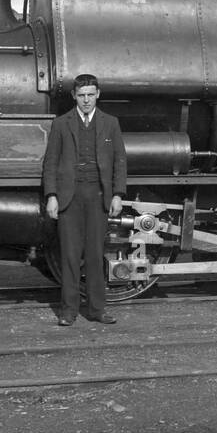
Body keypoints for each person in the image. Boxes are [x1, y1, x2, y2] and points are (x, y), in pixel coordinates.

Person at [41, 73, 127, 327]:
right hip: (70, 197)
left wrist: (118, 195)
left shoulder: (111, 123)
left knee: (94, 254)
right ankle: (68, 311)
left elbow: (120, 161)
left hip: (99, 197)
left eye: (90, 95)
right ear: (74, 97)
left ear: (98, 94)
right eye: (81, 95)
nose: (86, 100)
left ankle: (97, 309)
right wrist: (52, 196)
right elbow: (50, 164)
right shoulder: (61, 124)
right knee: (69, 254)